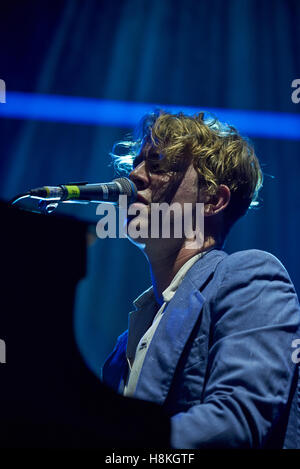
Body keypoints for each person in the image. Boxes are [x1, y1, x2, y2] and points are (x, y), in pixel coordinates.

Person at [101, 110, 300, 449]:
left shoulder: (250, 277)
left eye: (158, 165)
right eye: (136, 163)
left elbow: (237, 419)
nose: (134, 176)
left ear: (212, 200)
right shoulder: (131, 336)